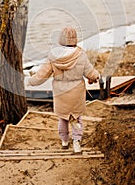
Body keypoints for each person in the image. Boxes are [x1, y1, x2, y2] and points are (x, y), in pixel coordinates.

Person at [28, 26, 100, 154]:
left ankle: (64, 141)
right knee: (76, 118)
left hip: (60, 92)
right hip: (76, 91)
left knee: (63, 118)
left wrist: (31, 81)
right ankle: (76, 143)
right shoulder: (81, 55)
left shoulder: (53, 56)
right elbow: (90, 72)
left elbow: (42, 74)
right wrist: (96, 77)